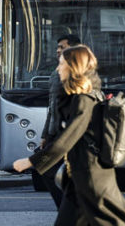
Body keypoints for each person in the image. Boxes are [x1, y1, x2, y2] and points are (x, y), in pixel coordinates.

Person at [13, 45, 125, 226]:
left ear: (73, 67)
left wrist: (32, 161)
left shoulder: (84, 99)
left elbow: (67, 138)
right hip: (79, 177)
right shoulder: (77, 96)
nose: (58, 68)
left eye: (62, 63)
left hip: (91, 177)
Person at [39, 34, 81, 209]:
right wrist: (45, 134)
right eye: (57, 47)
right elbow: (52, 106)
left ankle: (68, 209)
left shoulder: (77, 73)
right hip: (55, 132)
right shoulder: (59, 71)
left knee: (48, 169)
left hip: (67, 133)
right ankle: (70, 209)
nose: (57, 51)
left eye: (62, 47)